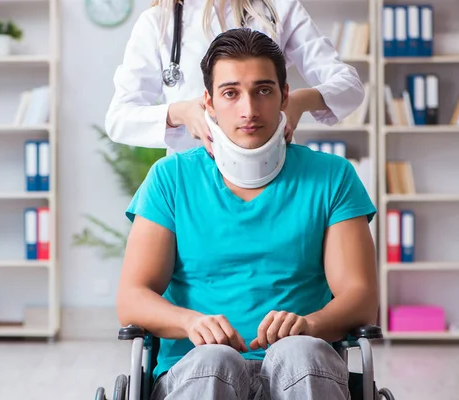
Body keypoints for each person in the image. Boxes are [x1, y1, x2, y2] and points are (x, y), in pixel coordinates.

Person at [116, 28, 378, 400]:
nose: (248, 110)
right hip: (196, 369)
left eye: (263, 90)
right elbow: (132, 297)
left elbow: (360, 296)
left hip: (306, 369)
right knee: (214, 362)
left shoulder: (332, 177)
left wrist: (310, 324)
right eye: (230, 93)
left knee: (298, 352)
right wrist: (190, 322)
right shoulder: (170, 178)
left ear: (285, 96)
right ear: (208, 103)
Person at [105, 0, 365, 156]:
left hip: (272, 168)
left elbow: (350, 86)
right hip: (194, 179)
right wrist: (180, 112)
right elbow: (119, 120)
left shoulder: (278, 9)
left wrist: (299, 101)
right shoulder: (158, 22)